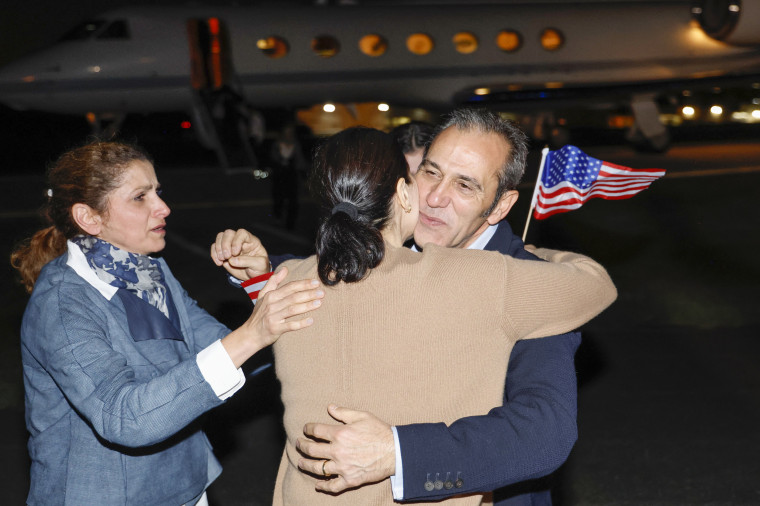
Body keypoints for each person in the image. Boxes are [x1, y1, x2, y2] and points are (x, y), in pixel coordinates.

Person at [217, 126, 616, 505]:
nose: (436, 197)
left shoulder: (520, 285)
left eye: (465, 184)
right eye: (430, 172)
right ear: (406, 186)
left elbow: (543, 433)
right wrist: (263, 270)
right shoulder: (471, 273)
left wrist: (398, 453)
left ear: (502, 204)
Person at [10, 141, 324, 505]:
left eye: (157, 192)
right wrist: (252, 334)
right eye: (140, 197)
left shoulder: (149, 271)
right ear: (89, 218)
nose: (163, 207)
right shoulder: (62, 304)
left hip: (185, 488)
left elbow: (231, 358)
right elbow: (125, 418)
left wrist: (258, 283)